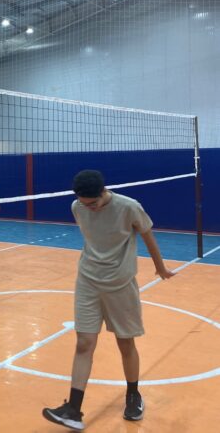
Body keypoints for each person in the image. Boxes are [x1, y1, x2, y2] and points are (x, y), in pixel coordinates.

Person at [42, 170, 175, 431]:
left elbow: (147, 235)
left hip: (120, 285)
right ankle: (73, 410)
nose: (89, 208)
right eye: (84, 204)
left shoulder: (129, 207)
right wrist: (85, 206)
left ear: (104, 192)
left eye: (93, 203)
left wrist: (160, 267)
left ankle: (133, 395)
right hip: (88, 282)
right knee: (84, 342)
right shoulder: (77, 207)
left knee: (125, 343)